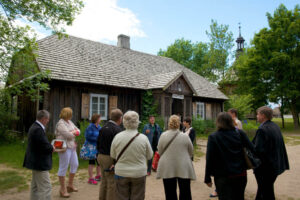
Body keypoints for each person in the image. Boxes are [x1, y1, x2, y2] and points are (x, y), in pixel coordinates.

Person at [205, 112, 255, 200]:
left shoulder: (213, 137)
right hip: (240, 174)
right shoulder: (240, 133)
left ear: (218, 122)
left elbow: (210, 158)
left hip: (222, 176)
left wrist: (207, 177)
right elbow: (252, 149)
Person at [111, 111, 153, 200]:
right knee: (137, 197)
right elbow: (150, 156)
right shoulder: (143, 138)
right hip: (139, 172)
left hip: (121, 172)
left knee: (121, 197)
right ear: (137, 122)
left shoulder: (117, 137)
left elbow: (113, 155)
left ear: (124, 122)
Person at [253, 106, 289, 200]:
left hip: (265, 168)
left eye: (258, 114)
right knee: (265, 190)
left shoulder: (262, 129)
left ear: (263, 115)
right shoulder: (275, 126)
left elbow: (258, 150)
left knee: (265, 192)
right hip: (275, 165)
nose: (256, 116)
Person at [157, 115, 196, 200]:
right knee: (185, 192)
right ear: (179, 124)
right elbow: (191, 151)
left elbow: (160, 151)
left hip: (168, 166)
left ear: (169, 123)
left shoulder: (163, 135)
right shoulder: (185, 136)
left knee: (170, 193)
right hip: (183, 166)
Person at [23, 110, 54, 200]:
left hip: (35, 161)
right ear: (44, 119)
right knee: (46, 187)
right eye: (47, 119)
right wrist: (52, 148)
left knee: (35, 186)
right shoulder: (38, 129)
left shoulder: (34, 127)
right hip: (39, 163)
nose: (48, 121)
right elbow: (44, 145)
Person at [97, 109, 123, 200]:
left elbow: (98, 142)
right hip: (109, 157)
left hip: (100, 156)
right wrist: (115, 162)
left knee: (104, 181)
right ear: (120, 118)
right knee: (112, 182)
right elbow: (118, 147)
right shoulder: (117, 129)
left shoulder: (103, 127)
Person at [55, 107, 80, 198]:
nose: (71, 115)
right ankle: (62, 189)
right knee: (63, 167)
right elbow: (68, 135)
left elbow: (79, 131)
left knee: (75, 164)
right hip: (63, 147)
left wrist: (73, 132)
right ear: (67, 114)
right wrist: (73, 132)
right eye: (70, 114)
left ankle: (70, 185)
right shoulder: (60, 123)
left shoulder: (70, 122)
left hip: (72, 146)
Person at [84, 114, 102, 185]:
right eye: (99, 118)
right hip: (91, 146)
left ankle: (98, 175)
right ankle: (91, 178)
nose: (100, 120)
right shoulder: (90, 127)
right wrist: (97, 139)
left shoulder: (99, 126)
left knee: (99, 162)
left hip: (98, 146)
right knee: (91, 162)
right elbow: (87, 137)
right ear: (96, 119)